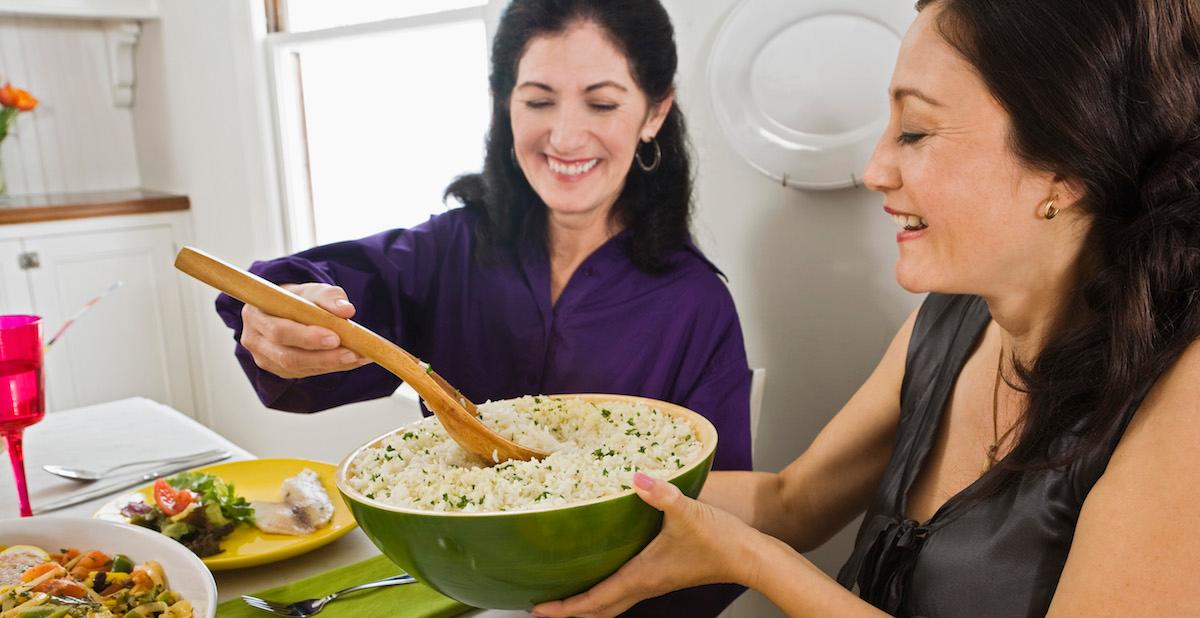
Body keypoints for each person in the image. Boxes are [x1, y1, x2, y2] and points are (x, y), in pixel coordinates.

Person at [531, 0, 1200, 616]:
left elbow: (767, 541)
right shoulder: (952, 321)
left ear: (1065, 166)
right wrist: (552, 484)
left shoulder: (1182, 400)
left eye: (915, 131)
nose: (875, 167)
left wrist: (753, 562)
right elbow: (791, 503)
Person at [215, 0, 751, 615]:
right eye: (538, 100)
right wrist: (284, 315)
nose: (566, 136)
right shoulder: (452, 249)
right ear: (505, 103)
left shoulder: (695, 302)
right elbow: (317, 285)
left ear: (654, 112)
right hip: (455, 587)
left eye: (602, 103)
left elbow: (714, 522)